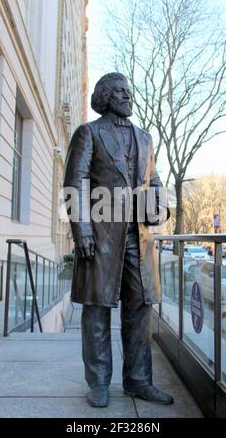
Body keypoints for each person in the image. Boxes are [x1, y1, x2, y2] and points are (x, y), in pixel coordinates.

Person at [63, 72, 173, 408]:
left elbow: (153, 181)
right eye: (121, 92)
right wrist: (81, 230)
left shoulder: (145, 137)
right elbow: (75, 183)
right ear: (106, 96)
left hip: (138, 237)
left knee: (139, 308)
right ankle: (98, 382)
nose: (128, 97)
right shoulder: (89, 133)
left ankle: (138, 380)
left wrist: (160, 208)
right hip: (100, 235)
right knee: (97, 309)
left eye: (130, 92)